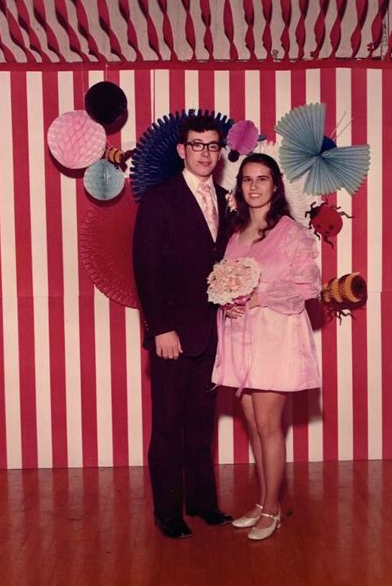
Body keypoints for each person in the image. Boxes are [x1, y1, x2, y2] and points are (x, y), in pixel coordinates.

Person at [133, 115, 233, 539]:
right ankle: (168, 512)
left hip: (214, 333)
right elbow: (146, 267)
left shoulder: (229, 199)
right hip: (172, 333)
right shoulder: (160, 199)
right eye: (197, 145)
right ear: (181, 151)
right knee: (169, 423)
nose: (206, 153)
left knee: (201, 422)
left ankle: (204, 502)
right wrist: (161, 328)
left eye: (213, 146)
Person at [212, 152, 321, 541]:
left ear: (275, 186)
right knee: (255, 427)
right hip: (242, 340)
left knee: (270, 426)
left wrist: (260, 297)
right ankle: (261, 502)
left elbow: (308, 285)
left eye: (262, 179)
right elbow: (227, 284)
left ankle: (273, 510)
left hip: (276, 337)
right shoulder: (236, 235)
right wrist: (230, 303)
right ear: (240, 187)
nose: (254, 187)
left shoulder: (291, 232)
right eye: (247, 180)